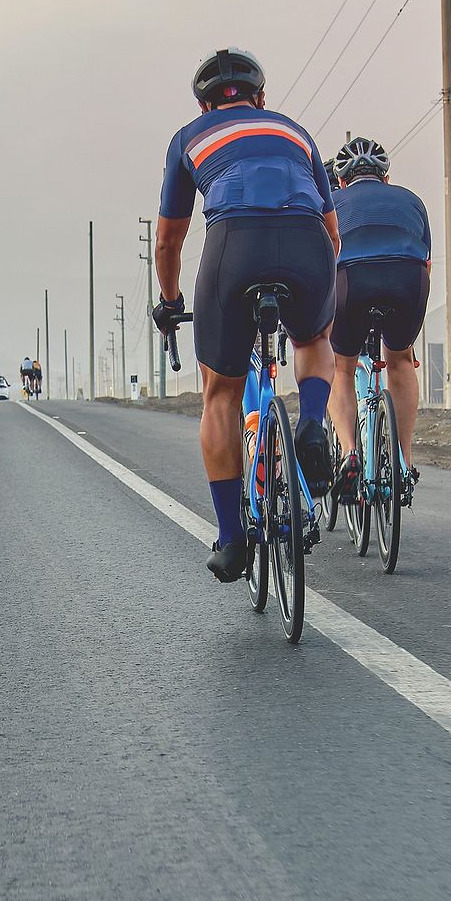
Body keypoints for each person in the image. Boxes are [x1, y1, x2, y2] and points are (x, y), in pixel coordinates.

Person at [147, 48, 342, 583]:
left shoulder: (189, 136)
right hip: (307, 241)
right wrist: (320, 291)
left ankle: (232, 540)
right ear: (261, 98)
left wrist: (170, 303)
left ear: (204, 105)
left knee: (221, 393)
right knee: (313, 339)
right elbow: (331, 229)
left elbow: (169, 239)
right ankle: (309, 424)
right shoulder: (296, 132)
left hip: (234, 245)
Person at [320, 135, 430, 500]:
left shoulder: (331, 202)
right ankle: (404, 461)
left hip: (352, 279)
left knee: (342, 368)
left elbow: (320, 262)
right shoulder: (412, 200)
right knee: (400, 359)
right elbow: (426, 261)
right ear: (385, 178)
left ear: (340, 180)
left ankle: (350, 451)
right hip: (409, 279)